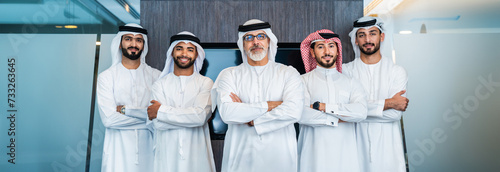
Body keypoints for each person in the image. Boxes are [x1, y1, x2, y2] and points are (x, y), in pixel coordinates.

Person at [211, 19, 304, 172]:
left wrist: (252, 119)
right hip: (240, 157)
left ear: (269, 41)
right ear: (243, 44)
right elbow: (228, 113)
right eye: (249, 38)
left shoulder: (288, 73)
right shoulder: (229, 75)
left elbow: (294, 111)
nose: (255, 42)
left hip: (280, 158)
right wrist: (270, 105)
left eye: (261, 36)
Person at [343, 16, 409, 172]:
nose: (368, 39)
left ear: (382, 36)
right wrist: (389, 103)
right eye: (362, 35)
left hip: (389, 151)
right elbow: (344, 112)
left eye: (372, 33)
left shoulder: (396, 72)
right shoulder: (346, 71)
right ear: (356, 41)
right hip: (355, 147)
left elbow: (394, 115)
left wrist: (357, 110)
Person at [297, 29, 368, 172]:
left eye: (331, 46)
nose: (327, 52)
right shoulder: (301, 81)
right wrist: (342, 116)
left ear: (337, 51)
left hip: (345, 157)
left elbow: (361, 112)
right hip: (313, 158)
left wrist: (323, 107)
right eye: (321, 47)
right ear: (312, 52)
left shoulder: (351, 82)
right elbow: (301, 114)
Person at [147, 31, 215, 172]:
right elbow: (158, 123)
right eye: (179, 48)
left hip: (197, 157)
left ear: (196, 55)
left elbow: (200, 117)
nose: (184, 53)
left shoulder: (206, 83)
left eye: (190, 49)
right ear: (172, 53)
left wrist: (161, 111)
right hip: (167, 157)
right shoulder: (159, 84)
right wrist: (190, 117)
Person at [97, 23, 159, 172]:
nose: (133, 44)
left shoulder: (156, 76)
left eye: (139, 40)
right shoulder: (107, 77)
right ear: (119, 43)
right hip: (117, 151)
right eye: (128, 39)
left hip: (150, 150)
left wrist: (126, 110)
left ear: (143, 45)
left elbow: (159, 117)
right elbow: (109, 119)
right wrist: (148, 117)